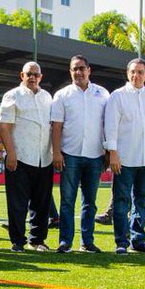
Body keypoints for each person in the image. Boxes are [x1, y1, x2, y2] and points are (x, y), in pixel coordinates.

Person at [104, 58, 145, 255]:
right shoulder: (117, 96)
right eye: (133, 71)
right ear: (127, 73)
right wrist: (112, 153)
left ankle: (138, 239)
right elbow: (110, 127)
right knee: (122, 201)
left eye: (140, 72)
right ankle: (121, 242)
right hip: (124, 159)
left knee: (142, 201)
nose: (136, 76)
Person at [50, 55, 109, 254]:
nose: (78, 72)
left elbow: (108, 125)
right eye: (74, 69)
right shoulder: (62, 95)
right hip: (70, 155)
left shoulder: (103, 94)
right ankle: (65, 241)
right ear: (70, 71)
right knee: (67, 201)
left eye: (82, 68)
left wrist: (109, 153)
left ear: (89, 70)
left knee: (90, 202)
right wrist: (56, 152)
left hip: (95, 156)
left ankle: (87, 242)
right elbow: (56, 126)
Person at [0, 62, 54, 252]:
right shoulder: (12, 95)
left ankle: (37, 240)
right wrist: (11, 153)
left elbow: (51, 126)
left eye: (36, 74)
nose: (32, 77)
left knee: (42, 202)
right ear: (22, 75)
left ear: (41, 77)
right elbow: (4, 127)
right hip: (20, 157)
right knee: (17, 203)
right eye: (29, 74)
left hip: (43, 157)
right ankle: (17, 241)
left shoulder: (47, 97)